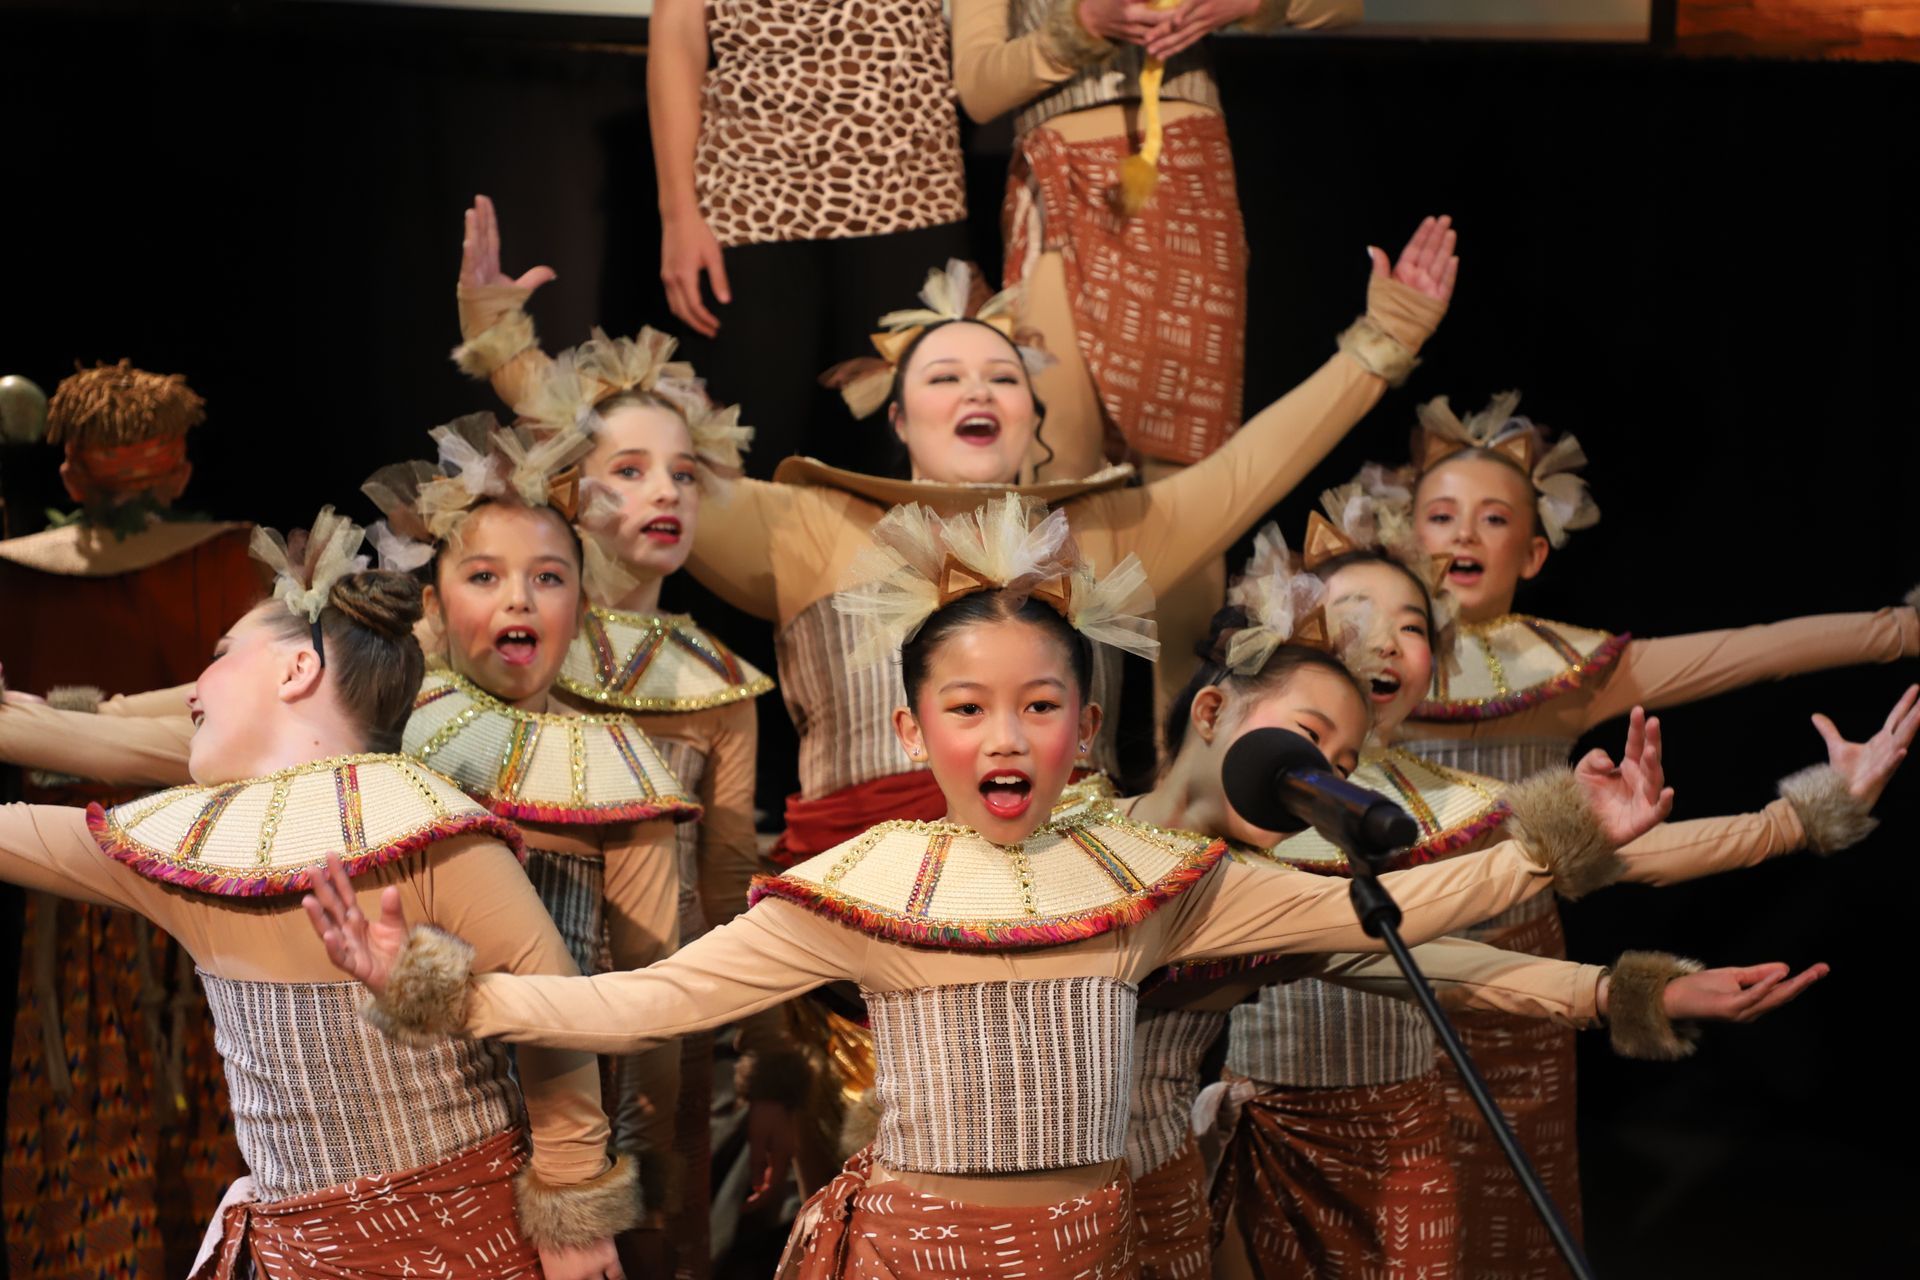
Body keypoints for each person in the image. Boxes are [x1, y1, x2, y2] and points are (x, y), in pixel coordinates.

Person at [306, 494, 1670, 1277]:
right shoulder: (861, 887)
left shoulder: (1150, 883)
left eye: (1039, 707)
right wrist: (437, 986)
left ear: (1084, 727)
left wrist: (1562, 835)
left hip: (1093, 1252)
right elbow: (645, 1001)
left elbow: (1374, 911)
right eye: (968, 708)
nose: (1005, 737)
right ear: (916, 735)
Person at [440, 216, 1451, 867]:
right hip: (860, 884)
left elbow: (1250, 467)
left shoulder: (1100, 526)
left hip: (1052, 871)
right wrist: (506, 343)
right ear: (901, 419)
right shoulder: (807, 518)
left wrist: (1382, 340)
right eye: (946, 377)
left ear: (1031, 418)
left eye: (1003, 377)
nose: (977, 390)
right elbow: (619, 449)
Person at [0, 511, 634, 1280]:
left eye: (219, 656)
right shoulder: (184, 853)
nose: (193, 689)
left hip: (472, 1242)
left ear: (297, 671)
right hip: (301, 1256)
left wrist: (570, 1211)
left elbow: (554, 1019)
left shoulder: (436, 836)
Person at [1392, 395, 1918, 1272]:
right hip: (1383, 966)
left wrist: (1903, 631)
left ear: (1534, 550)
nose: (1463, 538)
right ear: (1405, 535)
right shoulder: (1364, 665)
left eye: (1493, 519)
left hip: (1527, 962)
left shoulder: (1571, 668)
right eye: (1440, 516)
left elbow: (1756, 649)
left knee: (1510, 1225)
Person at [645, 0, 968, 475]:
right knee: (748, 453)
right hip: (752, 188)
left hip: (911, 185)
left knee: (911, 456)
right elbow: (677, 30)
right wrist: (678, 215)